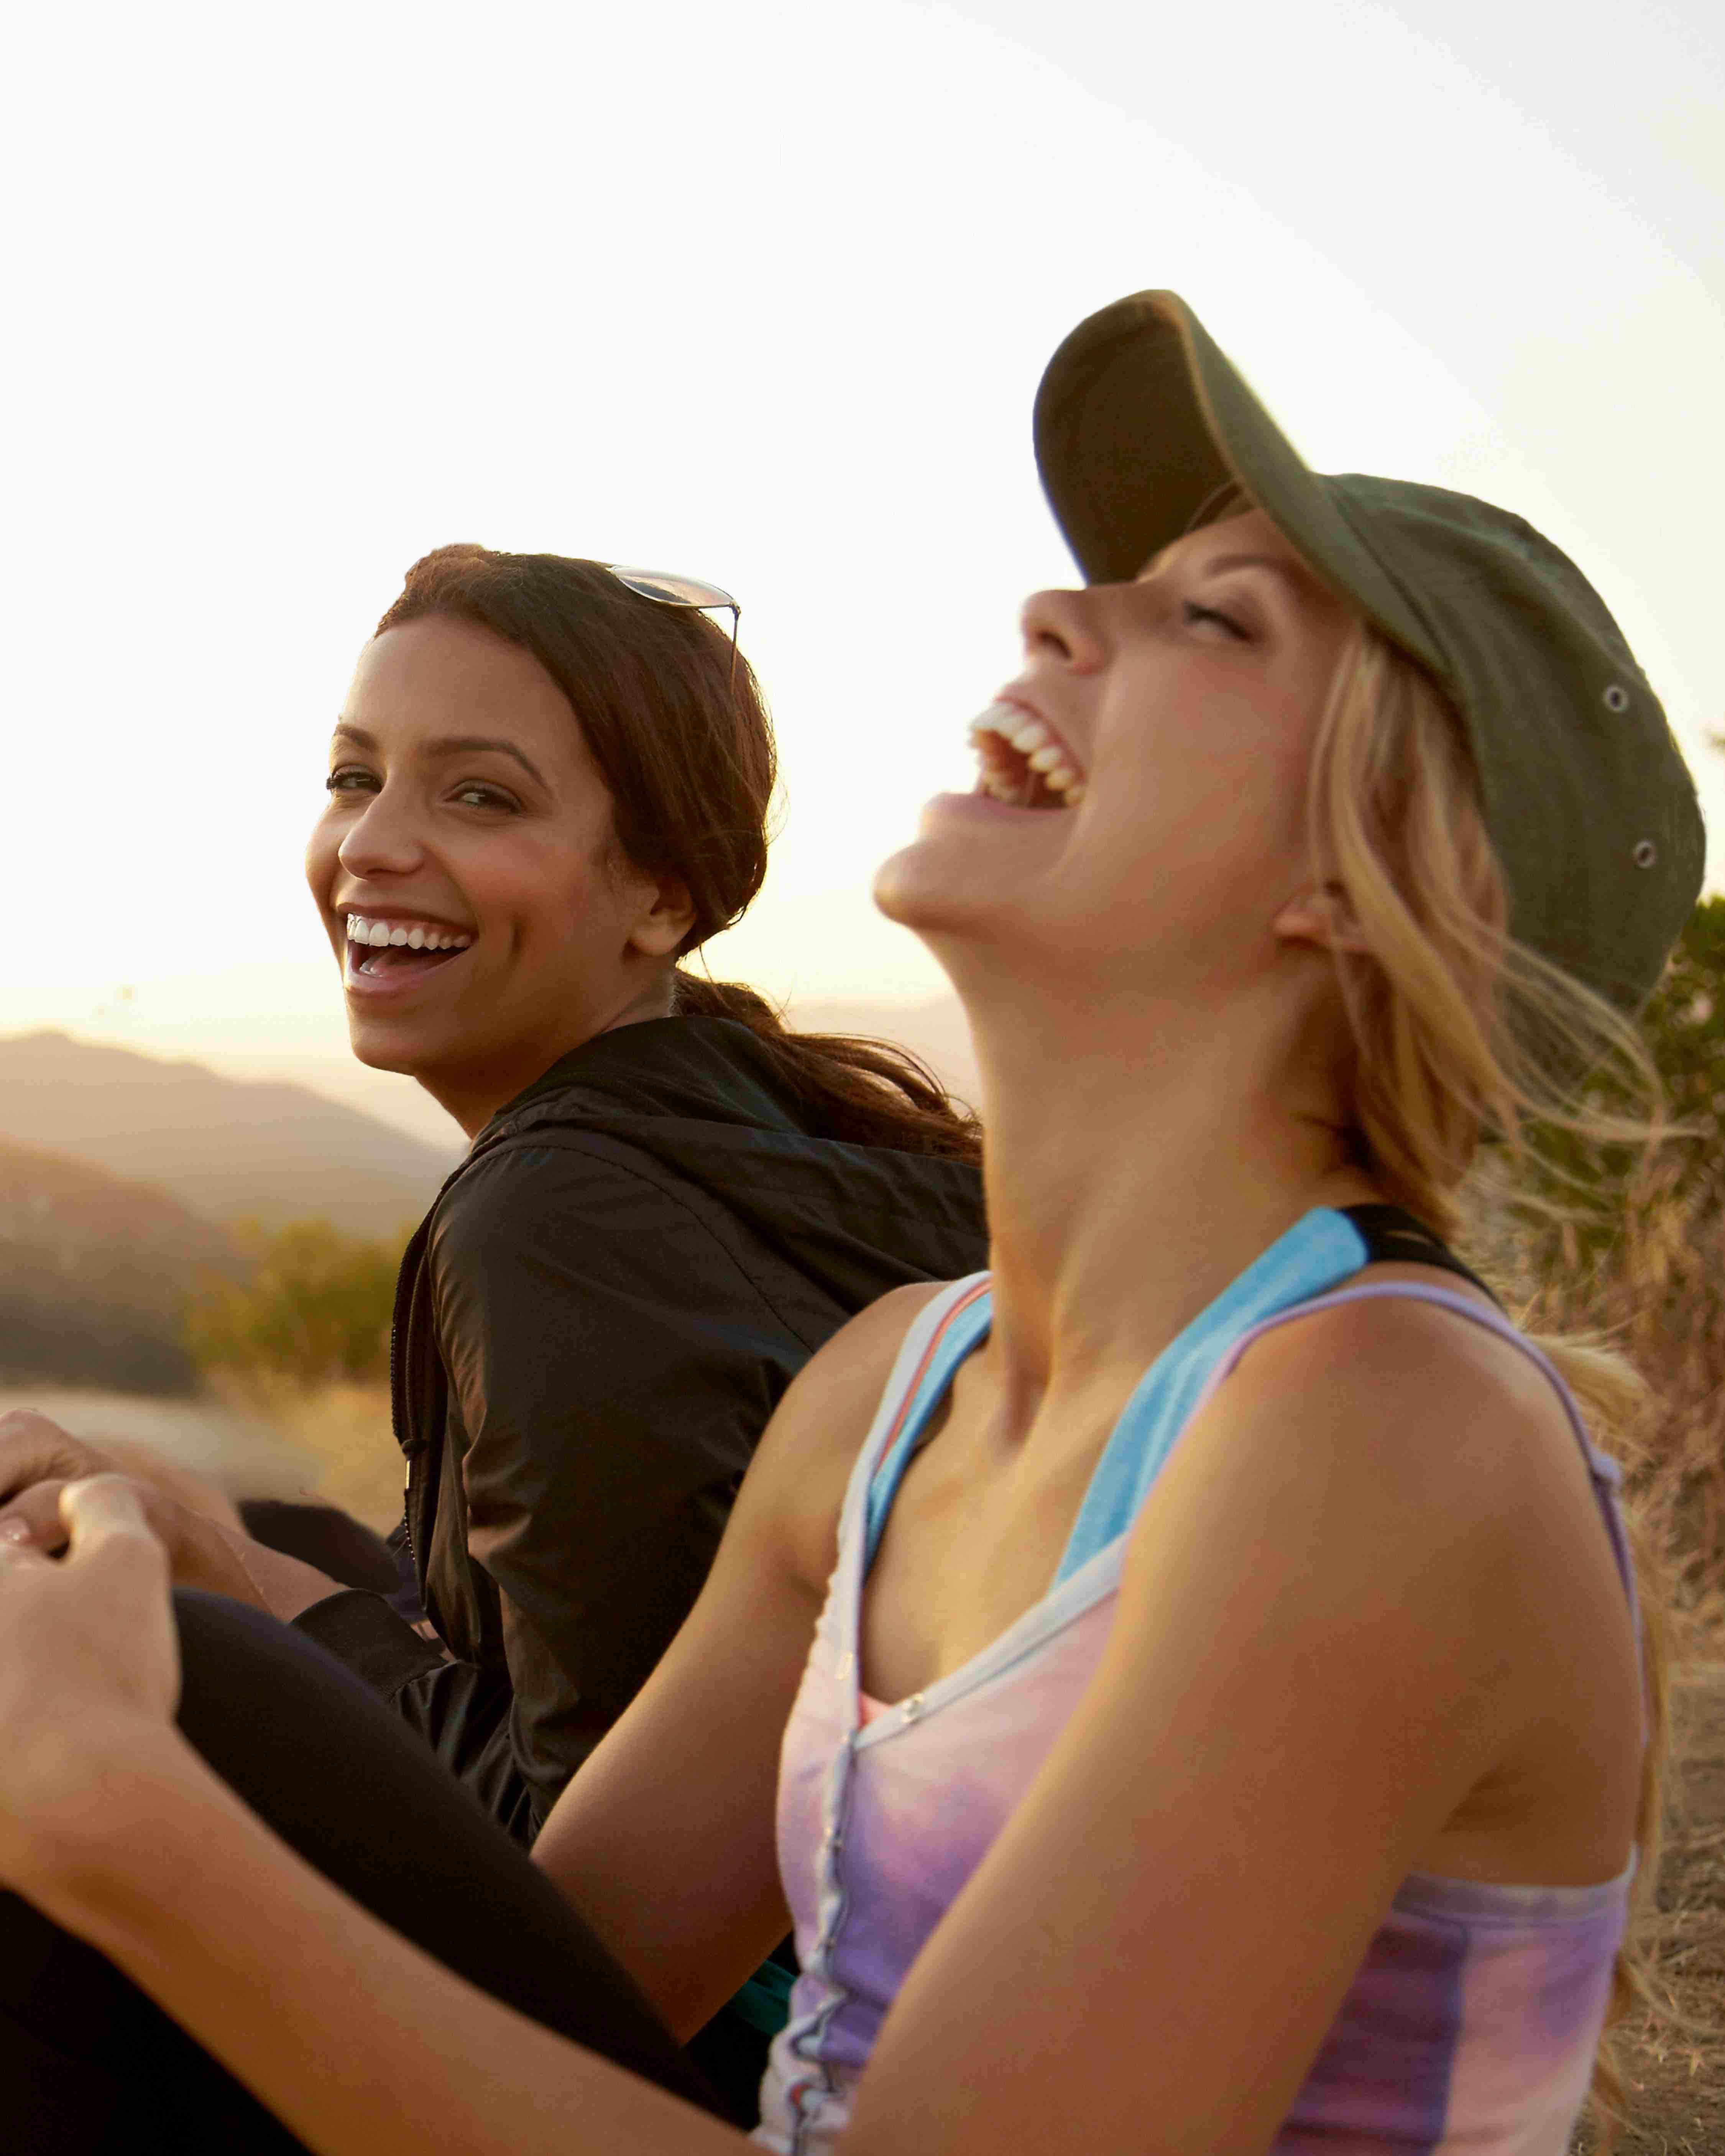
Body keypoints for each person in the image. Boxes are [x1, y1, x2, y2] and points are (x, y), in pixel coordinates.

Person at [0, 288, 1704, 2155]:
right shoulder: (896, 1389)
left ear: (1364, 883)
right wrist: (171, 1643)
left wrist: (116, 1808)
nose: (1063, 610)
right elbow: (539, 1986)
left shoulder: (1385, 1435)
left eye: (1208, 618)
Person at [0, 545, 987, 2112]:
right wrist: (232, 1542)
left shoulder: (555, 1221)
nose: (373, 847)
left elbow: (584, 1887)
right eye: (354, 777)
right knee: (265, 1525)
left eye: (479, 799)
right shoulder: (766, 1127)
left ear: (661, 892)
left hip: (709, 2066)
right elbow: (596, 1638)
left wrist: (247, 1614)